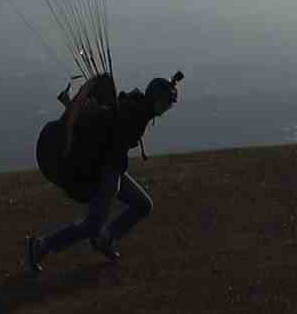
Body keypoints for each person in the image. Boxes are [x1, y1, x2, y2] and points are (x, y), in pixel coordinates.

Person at [27, 73, 181, 272]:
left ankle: (105, 239)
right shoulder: (136, 114)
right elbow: (113, 145)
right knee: (92, 225)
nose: (167, 108)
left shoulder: (134, 106)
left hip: (109, 166)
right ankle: (41, 246)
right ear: (157, 100)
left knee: (143, 205)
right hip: (106, 168)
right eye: (166, 103)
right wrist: (112, 183)